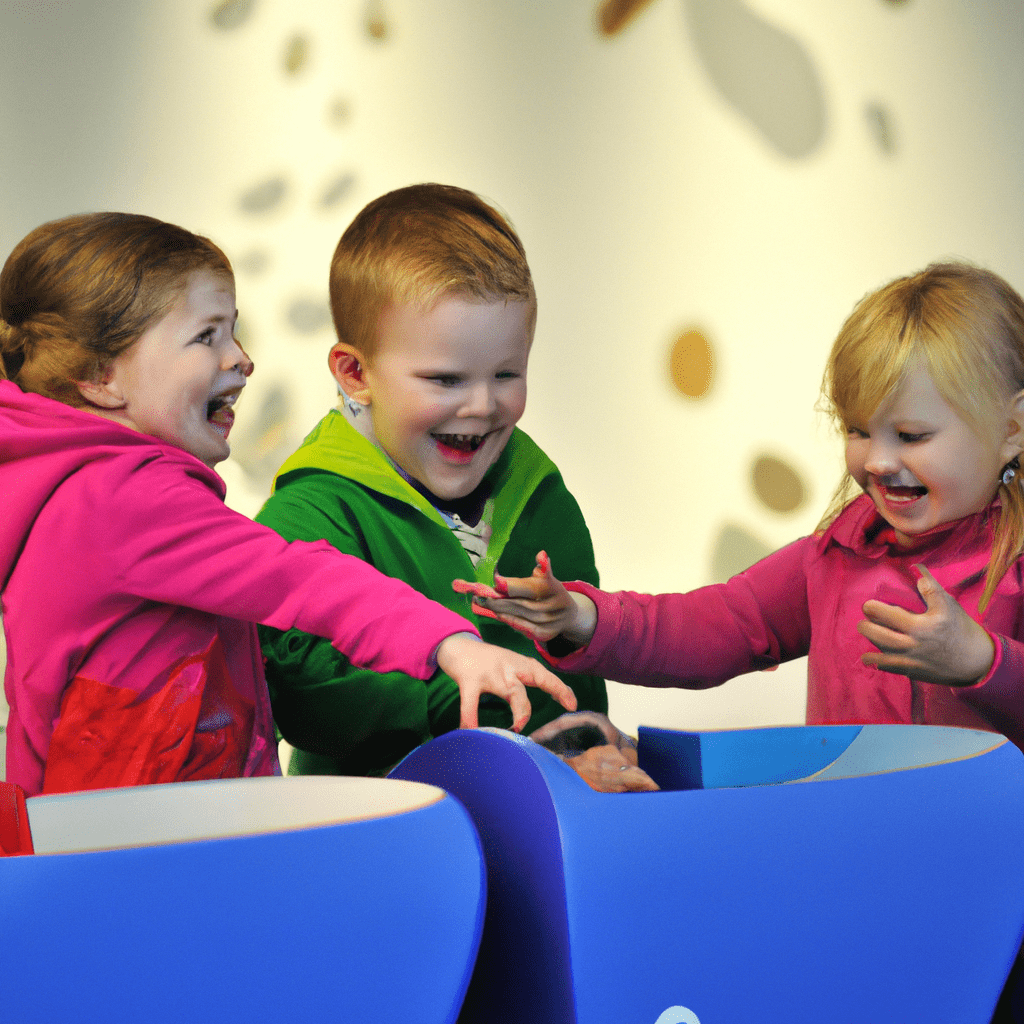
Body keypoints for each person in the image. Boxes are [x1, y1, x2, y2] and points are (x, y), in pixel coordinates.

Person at [0, 211, 576, 797]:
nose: (242, 359)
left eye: (234, 331)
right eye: (207, 336)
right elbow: (298, 579)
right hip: (143, 845)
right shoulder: (122, 499)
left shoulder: (66, 485)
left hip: (100, 831)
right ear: (102, 377)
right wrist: (446, 642)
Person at [456, 262, 1024, 751]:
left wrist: (984, 662)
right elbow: (707, 626)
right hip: (847, 846)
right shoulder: (834, 556)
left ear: (1012, 431)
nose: (877, 461)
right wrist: (582, 618)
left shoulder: (1012, 562)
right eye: (858, 431)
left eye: (912, 435)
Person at [255, 183, 619, 782]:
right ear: (355, 373)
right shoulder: (311, 513)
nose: (480, 405)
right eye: (446, 380)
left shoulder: (539, 493)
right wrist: (464, 693)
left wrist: (583, 735)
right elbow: (303, 696)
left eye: (507, 373)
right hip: (378, 841)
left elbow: (577, 670)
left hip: (539, 815)